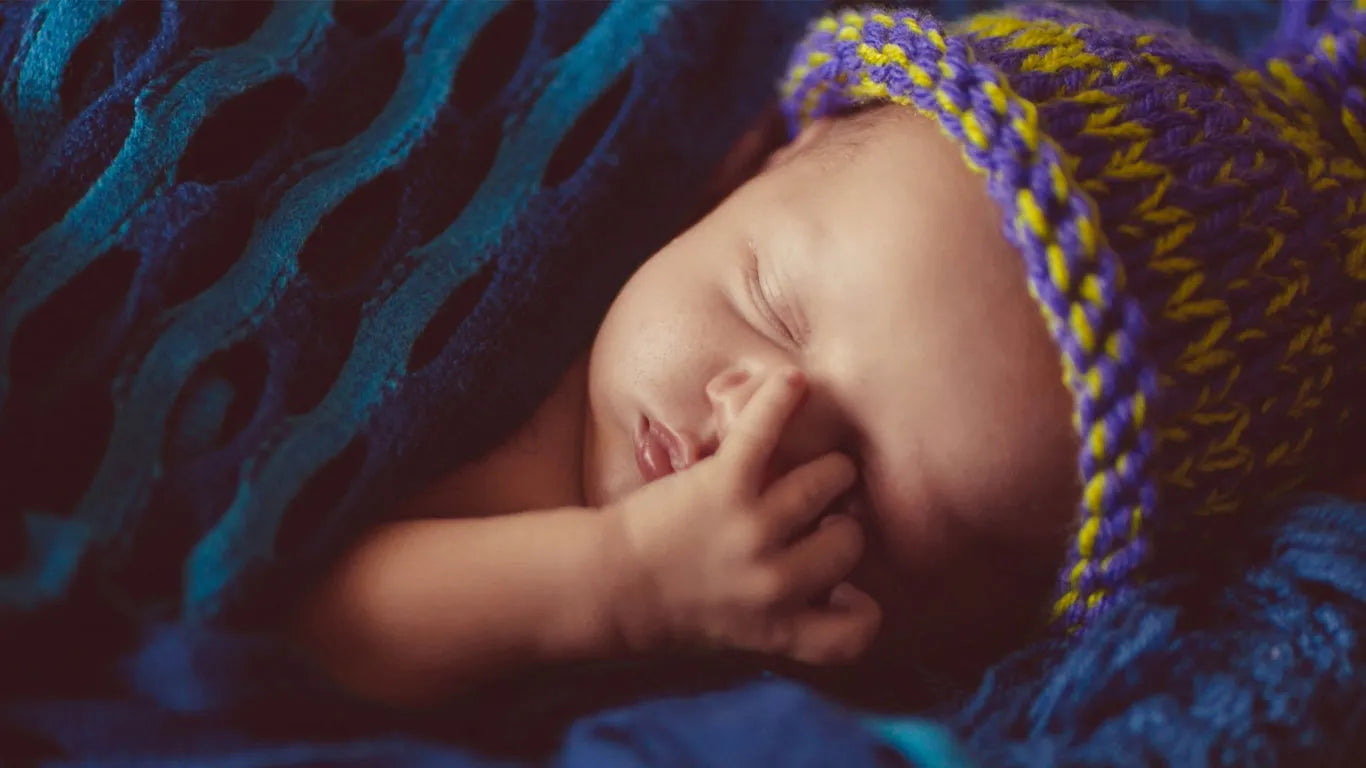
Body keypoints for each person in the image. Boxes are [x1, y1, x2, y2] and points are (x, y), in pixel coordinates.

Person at [294, 3, 1366, 706]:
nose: (754, 420)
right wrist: (616, 581)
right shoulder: (538, 414)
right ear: (757, 163)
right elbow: (324, 627)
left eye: (870, 498)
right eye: (770, 302)